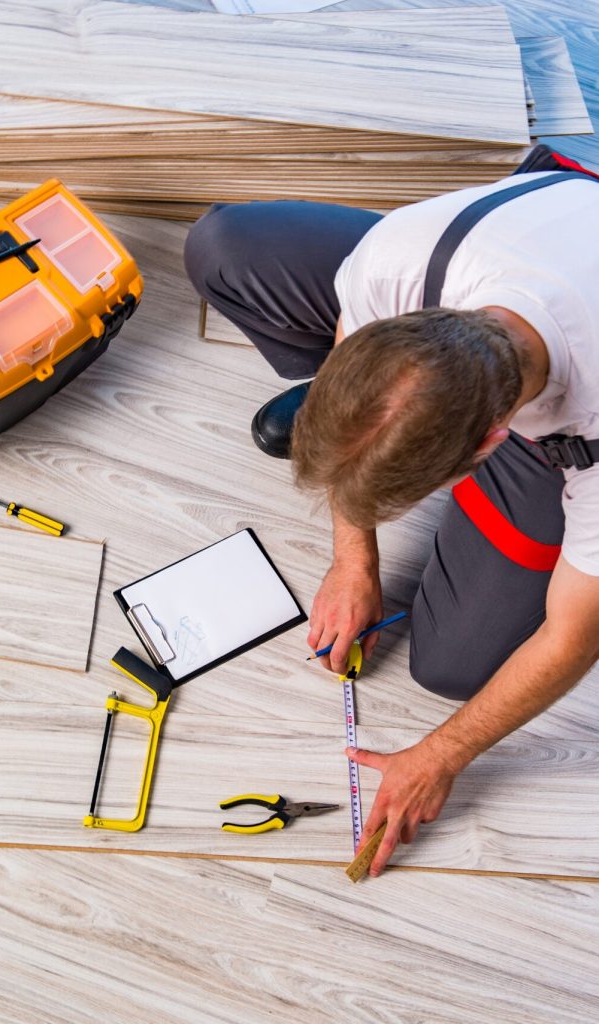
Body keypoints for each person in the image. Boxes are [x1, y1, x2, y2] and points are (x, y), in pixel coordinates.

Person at [183, 147, 599, 877]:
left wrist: (439, 755)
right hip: (539, 246)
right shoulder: (402, 259)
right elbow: (358, 342)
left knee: (455, 663)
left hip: (574, 421)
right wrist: (353, 560)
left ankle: (498, 481)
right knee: (223, 249)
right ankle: (393, 438)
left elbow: (572, 638)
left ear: (490, 444)